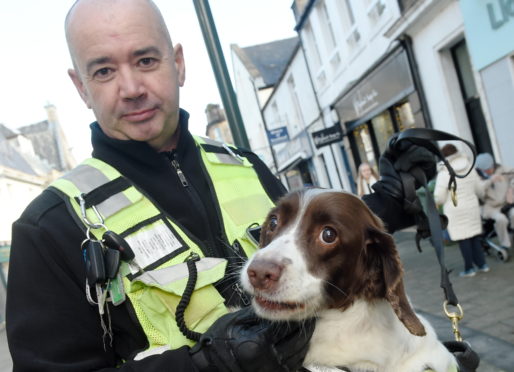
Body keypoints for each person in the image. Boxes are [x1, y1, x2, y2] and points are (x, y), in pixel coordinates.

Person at [5, 1, 437, 371]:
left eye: (146, 60)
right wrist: (206, 364)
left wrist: (392, 198)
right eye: (103, 70)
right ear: (81, 87)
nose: (132, 88)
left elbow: (314, 249)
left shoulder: (242, 165)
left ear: (179, 63)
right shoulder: (49, 228)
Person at [434, 144, 488, 277]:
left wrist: (437, 203)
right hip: (471, 206)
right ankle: (482, 265)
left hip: (454, 209)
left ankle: (469, 269)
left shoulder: (444, 171)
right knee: (474, 236)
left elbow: (439, 197)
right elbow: (479, 188)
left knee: (463, 238)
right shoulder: (469, 166)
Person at [475, 152, 514, 250]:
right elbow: (479, 192)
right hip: (490, 207)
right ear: (481, 169)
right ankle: (505, 245)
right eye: (486, 170)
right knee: (501, 219)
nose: (489, 171)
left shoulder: (502, 169)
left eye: (491, 168)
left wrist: (511, 190)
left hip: (505, 203)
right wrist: (490, 181)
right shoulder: (476, 177)